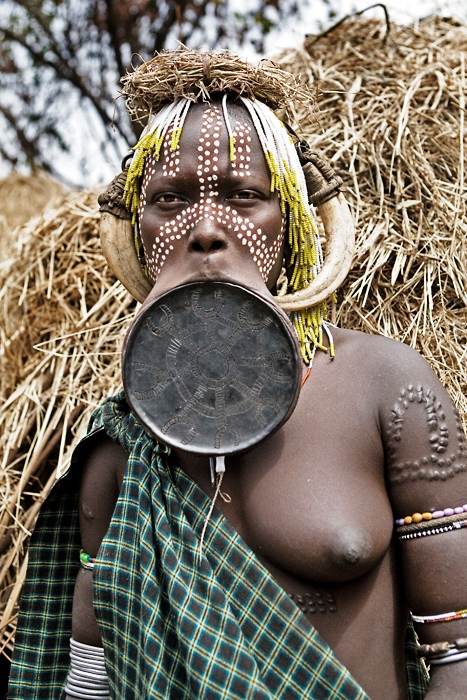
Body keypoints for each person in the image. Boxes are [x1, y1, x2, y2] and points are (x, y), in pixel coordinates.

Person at [7, 49, 467, 700]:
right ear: (136, 231)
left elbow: (460, 656)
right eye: (169, 200)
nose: (205, 230)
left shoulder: (390, 390)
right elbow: (91, 678)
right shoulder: (117, 443)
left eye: (244, 196)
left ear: (294, 221)